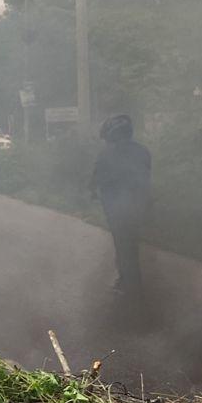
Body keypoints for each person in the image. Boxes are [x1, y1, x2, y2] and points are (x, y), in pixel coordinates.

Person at [90, 114, 151, 293]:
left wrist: (92, 190)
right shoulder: (143, 150)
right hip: (139, 204)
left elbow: (97, 177)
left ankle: (127, 280)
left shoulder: (108, 153)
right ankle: (133, 279)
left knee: (122, 243)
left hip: (116, 206)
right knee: (131, 242)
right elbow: (146, 177)